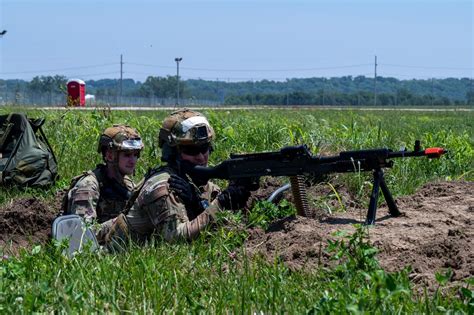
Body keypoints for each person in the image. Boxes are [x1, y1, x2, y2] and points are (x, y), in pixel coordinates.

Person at [104, 109, 251, 247]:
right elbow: (174, 238)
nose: (200, 157)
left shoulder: (199, 183)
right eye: (191, 150)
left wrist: (197, 203)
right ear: (173, 153)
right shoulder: (163, 185)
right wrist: (221, 203)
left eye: (204, 148)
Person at [63, 124, 144, 240]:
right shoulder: (88, 186)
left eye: (135, 155)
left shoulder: (127, 183)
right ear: (110, 156)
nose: (133, 161)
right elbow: (82, 233)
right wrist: (122, 222)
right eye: (127, 155)